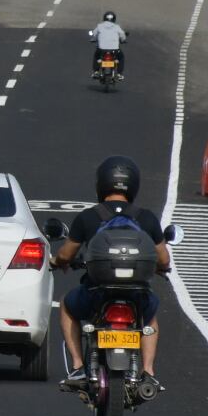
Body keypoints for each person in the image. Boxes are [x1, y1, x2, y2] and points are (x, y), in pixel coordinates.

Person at [50, 156, 170, 395]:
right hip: (136, 296)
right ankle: (148, 370)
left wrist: (58, 261)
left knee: (66, 305)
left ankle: (77, 366)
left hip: (97, 293)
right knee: (151, 317)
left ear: (101, 184)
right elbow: (164, 259)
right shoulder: (145, 217)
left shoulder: (88, 217)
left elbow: (66, 253)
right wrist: (158, 267)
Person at [89, 10, 128, 79]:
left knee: (96, 55)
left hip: (101, 49)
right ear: (114, 19)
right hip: (115, 50)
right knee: (121, 57)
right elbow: (122, 35)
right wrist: (123, 40)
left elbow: (94, 35)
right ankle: (119, 74)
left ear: (104, 18)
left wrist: (93, 39)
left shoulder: (99, 26)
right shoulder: (117, 27)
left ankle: (96, 72)